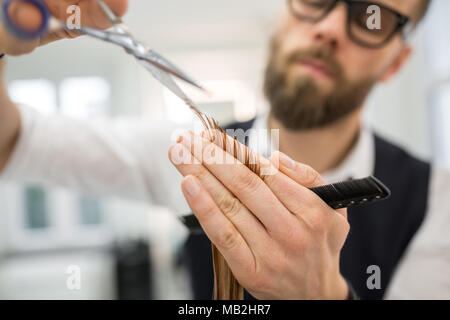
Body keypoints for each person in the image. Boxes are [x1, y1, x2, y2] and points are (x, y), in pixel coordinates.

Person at [0, 0, 448, 299]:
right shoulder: (191, 155)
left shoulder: (439, 207)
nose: (330, 28)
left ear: (396, 62)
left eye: (373, 16)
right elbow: (14, 142)